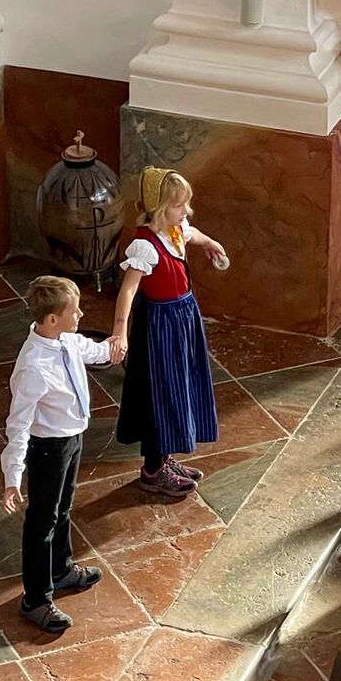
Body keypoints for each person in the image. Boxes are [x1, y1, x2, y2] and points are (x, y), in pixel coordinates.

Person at [2, 276, 122, 635]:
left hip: (71, 439)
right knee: (42, 521)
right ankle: (36, 599)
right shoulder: (33, 367)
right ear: (52, 318)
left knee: (63, 507)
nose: (81, 315)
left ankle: (61, 568)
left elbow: (93, 350)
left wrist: (116, 345)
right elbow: (18, 424)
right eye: (75, 311)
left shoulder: (66, 340)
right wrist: (12, 477)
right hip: (49, 448)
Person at [109, 169, 226, 499]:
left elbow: (193, 234)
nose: (186, 211)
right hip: (160, 327)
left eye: (186, 204)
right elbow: (128, 290)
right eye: (178, 206)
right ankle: (152, 469)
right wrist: (120, 331)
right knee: (160, 392)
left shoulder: (176, 231)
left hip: (182, 319)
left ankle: (164, 460)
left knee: (179, 387)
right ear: (158, 208)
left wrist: (210, 244)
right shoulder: (145, 246)